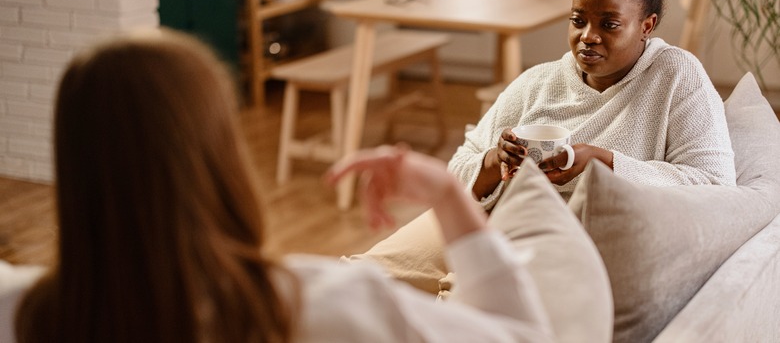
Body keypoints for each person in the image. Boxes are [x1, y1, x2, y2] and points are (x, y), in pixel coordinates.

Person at [13, 28, 555, 342]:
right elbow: (519, 336)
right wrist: (445, 192)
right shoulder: (319, 305)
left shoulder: (19, 312)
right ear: (222, 161)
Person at [450, 0, 736, 209]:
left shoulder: (676, 76)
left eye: (609, 24)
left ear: (646, 26)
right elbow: (456, 171)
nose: (587, 36)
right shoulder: (538, 83)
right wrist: (495, 161)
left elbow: (716, 184)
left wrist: (604, 162)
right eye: (578, 20)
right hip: (520, 232)